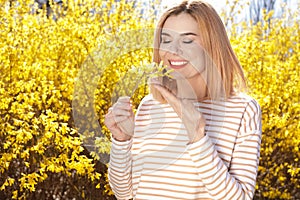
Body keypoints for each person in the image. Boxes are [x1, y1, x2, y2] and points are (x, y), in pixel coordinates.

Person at [104, 0, 262, 199]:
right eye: (166, 40)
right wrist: (121, 140)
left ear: (213, 46)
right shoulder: (150, 106)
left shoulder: (243, 110)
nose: (173, 50)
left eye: (188, 40)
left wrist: (197, 135)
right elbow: (124, 193)